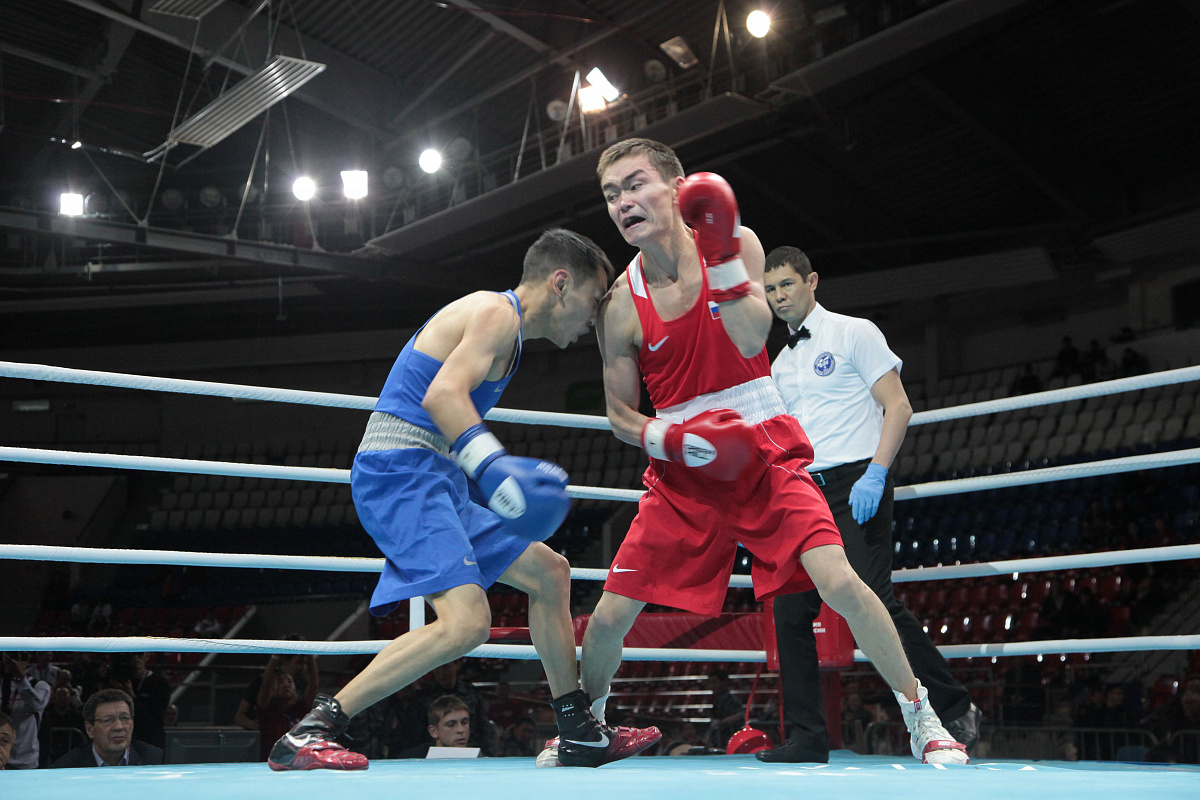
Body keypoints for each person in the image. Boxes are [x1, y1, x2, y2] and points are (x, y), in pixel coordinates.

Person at [551, 137, 967, 767]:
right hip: (682, 464)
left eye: (635, 185)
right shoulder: (619, 305)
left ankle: (922, 717)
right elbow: (619, 415)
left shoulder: (737, 243)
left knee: (841, 581)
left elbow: (750, 339)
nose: (622, 202)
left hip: (762, 444)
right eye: (611, 194)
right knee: (609, 614)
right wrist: (673, 438)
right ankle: (591, 728)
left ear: (678, 187)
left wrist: (720, 260)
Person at [268, 228, 660, 771]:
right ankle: (312, 730)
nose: (594, 319)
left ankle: (577, 730)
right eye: (593, 301)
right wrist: (493, 467)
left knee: (550, 573)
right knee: (467, 624)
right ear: (560, 283)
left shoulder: (508, 333)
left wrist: (481, 471)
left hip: (435, 474)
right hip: (401, 471)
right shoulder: (496, 313)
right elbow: (443, 394)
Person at [757, 246, 981, 762]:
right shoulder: (779, 363)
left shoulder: (855, 331)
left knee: (874, 597)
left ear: (811, 281)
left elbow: (898, 405)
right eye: (770, 290)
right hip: (801, 489)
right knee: (790, 608)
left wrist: (876, 472)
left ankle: (952, 707)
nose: (779, 296)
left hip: (857, 480)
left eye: (786, 284)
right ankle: (807, 737)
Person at [50, 688, 164, 767]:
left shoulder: (158, 761)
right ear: (89, 729)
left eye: (125, 718)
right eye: (107, 720)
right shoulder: (67, 768)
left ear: (133, 724)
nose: (119, 727)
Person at [256, 655, 318, 761]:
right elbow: (266, 684)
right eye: (280, 682)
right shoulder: (267, 710)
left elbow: (314, 685)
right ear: (272, 688)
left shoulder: (301, 707)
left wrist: (310, 656)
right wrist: (275, 657)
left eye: (290, 681)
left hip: (299, 761)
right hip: (270, 762)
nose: (286, 685)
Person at [1, 652, 51, 769]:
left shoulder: (40, 686)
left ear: (26, 661)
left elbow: (36, 706)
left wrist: (20, 678)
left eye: (18, 658)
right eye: (9, 657)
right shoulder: (2, 685)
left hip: (26, 759)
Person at [397, 695, 474, 758]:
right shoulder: (410, 760)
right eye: (451, 724)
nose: (461, 730)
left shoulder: (479, 759)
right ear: (434, 731)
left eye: (464, 722)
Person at [39, 686, 87, 766]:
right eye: (59, 695)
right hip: (50, 754)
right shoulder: (47, 716)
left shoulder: (77, 716)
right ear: (54, 698)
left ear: (70, 698)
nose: (62, 698)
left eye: (65, 695)